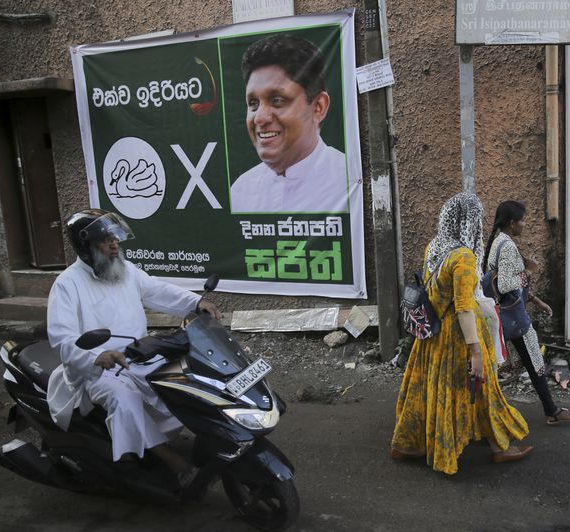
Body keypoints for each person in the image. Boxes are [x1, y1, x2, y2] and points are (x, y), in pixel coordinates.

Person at [46, 209, 223, 485]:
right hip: (95, 369)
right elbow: (62, 338)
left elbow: (156, 290)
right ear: (86, 246)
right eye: (106, 241)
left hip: (139, 355)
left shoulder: (125, 271)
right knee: (123, 397)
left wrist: (195, 303)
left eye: (116, 239)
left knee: (183, 383)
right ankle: (169, 459)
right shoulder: (67, 285)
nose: (115, 245)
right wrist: (96, 357)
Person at [391, 193, 531, 474]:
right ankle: (499, 448)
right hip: (459, 338)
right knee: (481, 389)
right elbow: (465, 308)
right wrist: (476, 351)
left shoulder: (435, 246)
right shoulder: (464, 257)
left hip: (431, 334)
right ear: (471, 222)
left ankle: (409, 443)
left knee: (429, 388)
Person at [483, 200, 570, 425]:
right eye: (521, 221)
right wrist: (527, 272)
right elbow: (507, 284)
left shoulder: (499, 241)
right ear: (511, 223)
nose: (524, 225)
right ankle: (550, 411)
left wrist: (537, 301)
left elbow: (502, 282)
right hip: (515, 320)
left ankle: (550, 410)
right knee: (534, 362)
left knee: (526, 362)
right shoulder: (506, 246)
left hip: (505, 317)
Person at [229, 33, 347, 213]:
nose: (260, 118)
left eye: (277, 100)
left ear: (318, 107)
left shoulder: (349, 182)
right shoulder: (240, 192)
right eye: (253, 104)